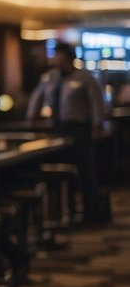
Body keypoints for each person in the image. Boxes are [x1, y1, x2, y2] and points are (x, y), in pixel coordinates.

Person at [26, 42, 107, 223]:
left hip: (80, 129)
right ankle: (66, 211)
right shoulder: (50, 78)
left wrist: (97, 126)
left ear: (66, 56)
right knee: (63, 171)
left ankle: (90, 213)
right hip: (57, 128)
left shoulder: (85, 78)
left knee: (85, 170)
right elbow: (36, 97)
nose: (53, 58)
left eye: (57, 55)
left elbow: (96, 103)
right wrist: (31, 117)